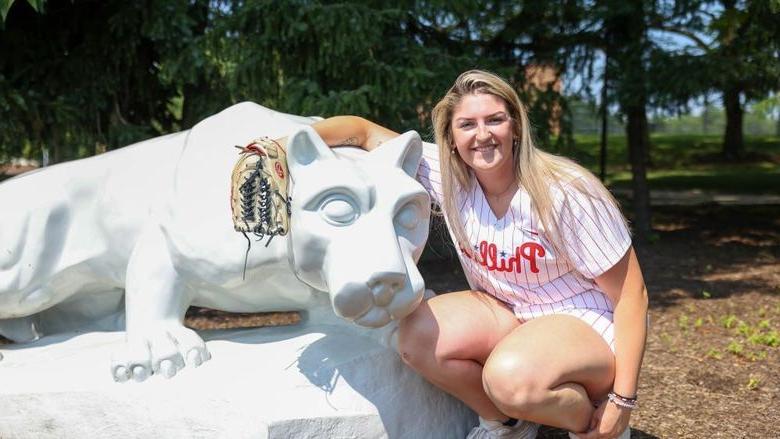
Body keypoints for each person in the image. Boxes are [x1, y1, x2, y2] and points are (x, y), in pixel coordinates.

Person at [293, 70, 648, 439]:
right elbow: (362, 131)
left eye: (495, 119)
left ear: (516, 126)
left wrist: (623, 400)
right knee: (416, 339)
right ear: (450, 137)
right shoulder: (448, 177)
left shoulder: (566, 191)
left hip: (585, 321)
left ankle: (592, 426)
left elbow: (630, 295)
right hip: (508, 311)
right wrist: (278, 147)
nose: (482, 135)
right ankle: (508, 423)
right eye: (467, 124)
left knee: (510, 380)